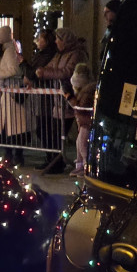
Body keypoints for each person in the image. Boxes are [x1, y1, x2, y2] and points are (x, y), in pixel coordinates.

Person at [34, 27, 88, 172]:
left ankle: (60, 163)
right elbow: (50, 67)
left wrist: (45, 73)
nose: (56, 41)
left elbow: (67, 72)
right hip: (58, 102)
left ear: (65, 40)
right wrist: (43, 70)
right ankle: (53, 160)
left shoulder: (76, 54)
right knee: (50, 133)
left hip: (70, 100)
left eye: (58, 39)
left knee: (61, 134)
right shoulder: (59, 55)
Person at [0, 25, 27, 164]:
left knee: (14, 126)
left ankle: (16, 155)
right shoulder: (2, 52)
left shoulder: (9, 52)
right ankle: (10, 153)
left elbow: (12, 70)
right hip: (6, 92)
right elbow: (1, 69)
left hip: (12, 92)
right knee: (6, 125)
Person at [68, 62, 96, 176]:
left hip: (87, 123)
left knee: (83, 145)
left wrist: (69, 98)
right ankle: (80, 166)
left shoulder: (88, 91)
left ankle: (86, 166)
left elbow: (80, 107)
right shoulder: (85, 90)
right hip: (83, 122)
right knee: (79, 143)